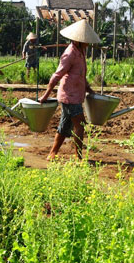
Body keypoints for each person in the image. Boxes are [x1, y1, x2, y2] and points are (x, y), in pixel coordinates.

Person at [38, 20, 101, 160]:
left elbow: (80, 75)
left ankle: (52, 153)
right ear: (78, 40)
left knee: (65, 125)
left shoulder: (81, 52)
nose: (88, 43)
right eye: (86, 41)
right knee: (80, 124)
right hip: (69, 96)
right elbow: (57, 75)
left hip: (76, 95)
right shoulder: (70, 53)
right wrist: (46, 94)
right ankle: (78, 157)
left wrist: (89, 89)